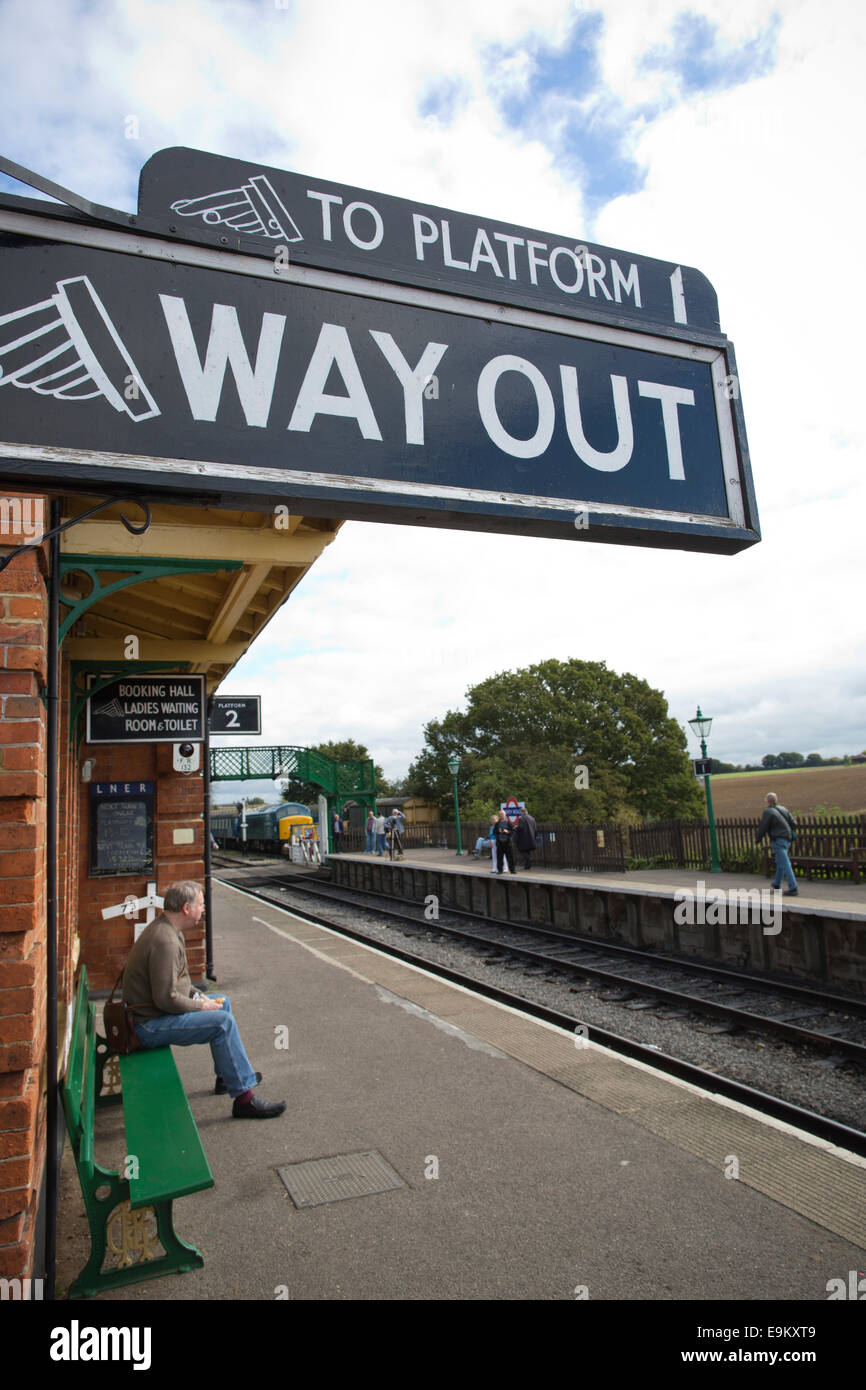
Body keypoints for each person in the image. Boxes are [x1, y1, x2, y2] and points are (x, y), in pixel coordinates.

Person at [121, 881, 285, 1118]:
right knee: (222, 1023)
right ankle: (244, 1100)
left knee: (222, 1002)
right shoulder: (164, 941)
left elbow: (182, 984)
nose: (204, 909)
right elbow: (165, 999)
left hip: (152, 1015)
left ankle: (227, 1078)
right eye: (200, 904)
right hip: (146, 1026)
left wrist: (201, 997)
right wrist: (200, 1005)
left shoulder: (170, 930)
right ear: (186, 909)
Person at [755, 792, 798, 895]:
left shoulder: (768, 812)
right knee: (780, 862)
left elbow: (763, 827)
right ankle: (777, 884)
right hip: (787, 839)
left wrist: (758, 839)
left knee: (785, 863)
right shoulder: (783, 809)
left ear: (769, 802)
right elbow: (794, 823)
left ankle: (793, 887)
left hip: (778, 840)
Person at [514, 806, 539, 871]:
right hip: (531, 838)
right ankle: (527, 866)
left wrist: (516, 827)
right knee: (528, 851)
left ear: (522, 812)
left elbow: (520, 827)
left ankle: (529, 860)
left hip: (523, 838)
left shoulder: (521, 818)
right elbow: (535, 829)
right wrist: (535, 836)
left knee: (522, 850)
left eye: (520, 812)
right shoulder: (532, 818)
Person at [492, 809, 516, 875]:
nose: (501, 815)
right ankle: (500, 870)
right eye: (500, 814)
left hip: (507, 843)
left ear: (505, 815)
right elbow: (494, 832)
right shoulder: (497, 824)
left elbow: (513, 831)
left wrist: (507, 831)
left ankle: (512, 870)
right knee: (499, 857)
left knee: (510, 857)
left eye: (502, 814)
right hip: (500, 843)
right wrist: (498, 831)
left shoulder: (509, 823)